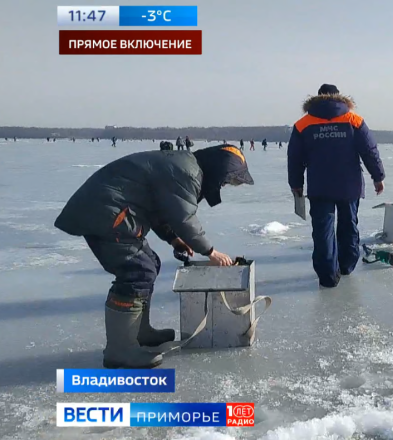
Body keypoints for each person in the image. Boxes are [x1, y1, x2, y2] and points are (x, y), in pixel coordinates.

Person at [54, 144, 253, 369]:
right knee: (136, 271)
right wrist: (210, 252)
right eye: (225, 180)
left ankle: (138, 331)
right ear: (218, 170)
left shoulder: (184, 166)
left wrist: (173, 239)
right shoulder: (186, 173)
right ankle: (119, 351)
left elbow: (160, 209)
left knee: (149, 263)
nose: (223, 185)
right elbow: (183, 218)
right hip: (106, 214)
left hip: (112, 212)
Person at [288, 84, 385, 288]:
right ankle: (347, 265)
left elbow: (295, 158)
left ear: (318, 97)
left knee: (323, 230)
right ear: (339, 97)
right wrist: (378, 176)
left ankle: (327, 275)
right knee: (348, 225)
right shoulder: (354, 120)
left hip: (319, 186)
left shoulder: (303, 124)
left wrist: (296, 184)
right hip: (349, 185)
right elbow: (369, 150)